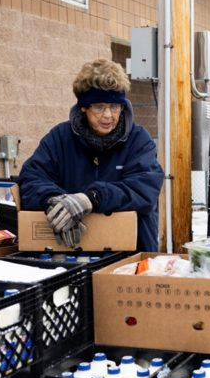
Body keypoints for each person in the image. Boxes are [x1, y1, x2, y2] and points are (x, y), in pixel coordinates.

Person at [18, 58, 164, 251]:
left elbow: (144, 189)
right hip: (72, 253)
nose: (108, 115)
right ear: (84, 107)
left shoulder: (138, 140)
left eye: (114, 106)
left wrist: (92, 198)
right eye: (99, 106)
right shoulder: (60, 139)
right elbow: (31, 179)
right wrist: (55, 201)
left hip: (132, 252)